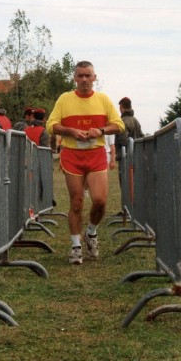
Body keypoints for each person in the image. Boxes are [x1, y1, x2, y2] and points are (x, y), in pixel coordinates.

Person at [46, 60, 125, 265]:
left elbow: (119, 125)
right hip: (72, 155)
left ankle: (91, 232)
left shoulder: (103, 100)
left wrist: (100, 131)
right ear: (74, 78)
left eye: (88, 75)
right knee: (77, 201)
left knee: (100, 200)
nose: (84, 79)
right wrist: (70, 131)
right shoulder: (64, 99)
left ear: (94, 78)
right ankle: (75, 246)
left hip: (96, 154)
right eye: (80, 75)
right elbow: (51, 125)